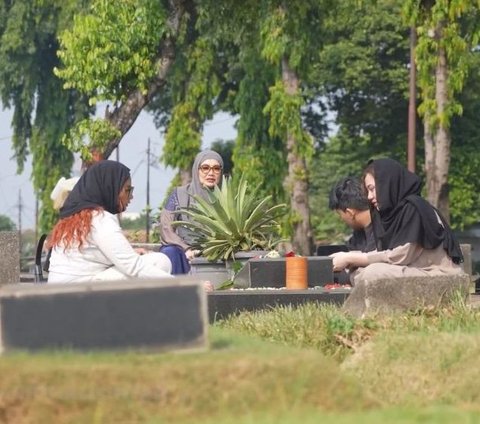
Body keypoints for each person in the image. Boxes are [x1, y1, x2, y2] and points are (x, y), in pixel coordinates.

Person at [330, 158, 464, 284]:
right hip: (414, 271)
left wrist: (351, 258)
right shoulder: (391, 215)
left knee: (372, 273)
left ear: (387, 184)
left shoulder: (414, 208)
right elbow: (384, 253)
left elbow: (401, 256)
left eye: (372, 189)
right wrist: (349, 257)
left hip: (438, 275)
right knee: (360, 271)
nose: (369, 197)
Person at [47, 160, 173, 283]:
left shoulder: (76, 218)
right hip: (79, 294)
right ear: (110, 187)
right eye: (127, 190)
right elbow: (133, 266)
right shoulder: (99, 219)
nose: (131, 196)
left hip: (61, 293)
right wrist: (183, 284)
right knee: (161, 262)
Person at [157, 150, 224, 270]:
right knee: (170, 252)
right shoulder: (179, 194)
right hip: (184, 251)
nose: (211, 173)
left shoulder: (227, 199)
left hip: (219, 251)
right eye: (205, 168)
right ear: (196, 170)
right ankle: (179, 288)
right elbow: (166, 227)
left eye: (216, 168)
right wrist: (186, 248)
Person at [328, 176, 376, 252]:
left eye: (340, 214)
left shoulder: (383, 232)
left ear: (350, 213)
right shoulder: (358, 234)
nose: (341, 219)